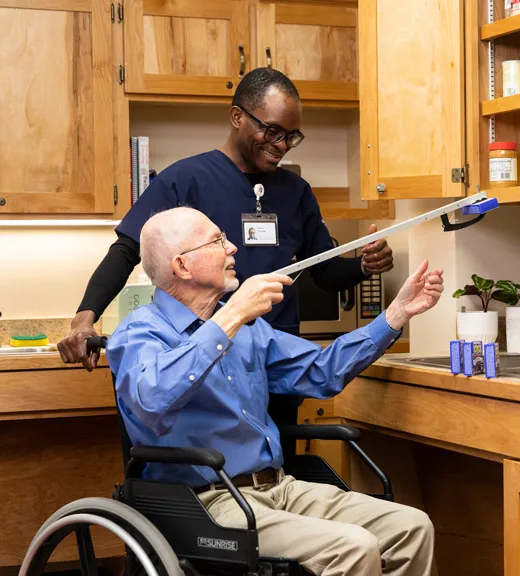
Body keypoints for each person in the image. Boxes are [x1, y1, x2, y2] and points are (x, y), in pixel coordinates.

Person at [107, 207, 444, 576]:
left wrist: (395, 315)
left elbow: (321, 372)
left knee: (412, 527)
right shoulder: (138, 333)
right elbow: (151, 400)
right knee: (353, 548)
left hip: (279, 488)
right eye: (217, 241)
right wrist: (231, 316)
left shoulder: (251, 331)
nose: (232, 247)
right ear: (181, 265)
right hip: (207, 503)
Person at [58, 67, 393, 372]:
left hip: (281, 359)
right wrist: (84, 320)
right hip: (207, 363)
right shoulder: (186, 179)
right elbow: (127, 250)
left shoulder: (296, 191)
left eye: (292, 136)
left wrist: (363, 266)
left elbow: (322, 271)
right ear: (237, 117)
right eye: (272, 130)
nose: (282, 145)